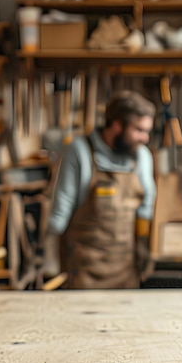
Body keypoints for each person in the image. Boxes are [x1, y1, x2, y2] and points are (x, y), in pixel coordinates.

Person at [46, 90, 156, 289]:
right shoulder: (79, 150)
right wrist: (48, 261)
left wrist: (143, 245)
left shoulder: (141, 156)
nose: (145, 138)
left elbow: (145, 207)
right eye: (139, 130)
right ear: (117, 125)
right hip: (84, 268)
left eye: (147, 131)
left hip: (125, 269)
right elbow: (61, 207)